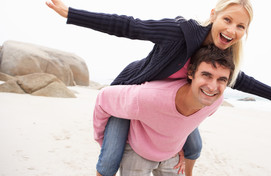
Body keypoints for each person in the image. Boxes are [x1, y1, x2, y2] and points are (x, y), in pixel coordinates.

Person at [41, 0, 271, 176]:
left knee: (194, 146)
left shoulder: (220, 52)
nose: (232, 30)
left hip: (171, 106)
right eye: (228, 20)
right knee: (110, 160)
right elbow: (129, 26)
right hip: (133, 94)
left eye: (241, 26)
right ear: (214, 14)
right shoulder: (179, 32)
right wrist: (72, 14)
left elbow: (238, 79)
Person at [94, 45, 234, 176]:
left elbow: (186, 121)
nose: (212, 87)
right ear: (191, 73)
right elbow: (103, 98)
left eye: (222, 80)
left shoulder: (215, 102)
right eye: (206, 75)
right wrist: (105, 142)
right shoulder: (148, 97)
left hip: (172, 156)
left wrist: (178, 140)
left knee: (195, 147)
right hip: (138, 153)